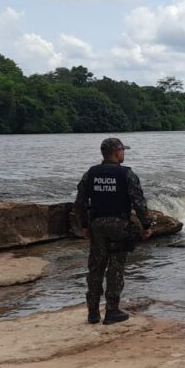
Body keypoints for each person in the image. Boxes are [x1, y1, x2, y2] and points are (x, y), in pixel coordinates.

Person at [74, 137, 153, 325]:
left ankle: (92, 312)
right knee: (115, 267)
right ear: (117, 152)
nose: (123, 153)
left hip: (97, 225)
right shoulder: (127, 174)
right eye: (122, 150)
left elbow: (80, 203)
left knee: (95, 267)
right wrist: (147, 226)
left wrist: (84, 226)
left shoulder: (90, 174)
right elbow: (139, 203)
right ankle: (112, 311)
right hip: (119, 225)